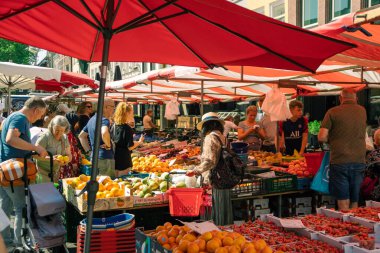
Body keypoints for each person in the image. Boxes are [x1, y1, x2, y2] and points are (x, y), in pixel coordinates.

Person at [0, 96, 47, 249]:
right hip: (15, 172)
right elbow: (11, 139)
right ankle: (19, 244)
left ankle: (6, 243)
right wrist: (36, 148)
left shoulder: (11, 117)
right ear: (35, 110)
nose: (40, 118)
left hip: (5, 170)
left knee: (4, 208)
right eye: (40, 115)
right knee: (20, 207)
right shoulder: (20, 118)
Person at [318, 89, 366, 211]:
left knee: (343, 200)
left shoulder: (332, 112)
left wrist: (332, 140)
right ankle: (356, 225)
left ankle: (346, 225)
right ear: (356, 98)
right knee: (354, 200)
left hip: (339, 160)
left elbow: (322, 136)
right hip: (359, 160)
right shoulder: (362, 111)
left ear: (340, 98)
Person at [186, 112, 233, 226]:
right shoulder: (223, 137)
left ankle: (214, 230)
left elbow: (210, 161)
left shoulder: (210, 137)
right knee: (223, 208)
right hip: (224, 177)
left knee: (212, 211)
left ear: (206, 126)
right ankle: (224, 228)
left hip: (213, 179)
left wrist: (195, 171)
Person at [79, 98, 115, 178]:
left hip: (94, 158)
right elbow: (104, 132)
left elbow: (81, 136)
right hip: (105, 158)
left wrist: (88, 151)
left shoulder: (92, 119)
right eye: (112, 107)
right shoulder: (104, 120)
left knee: (97, 184)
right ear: (105, 107)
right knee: (107, 185)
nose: (113, 109)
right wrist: (108, 145)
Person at [35, 115, 72, 182]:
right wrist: (51, 159)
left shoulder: (65, 138)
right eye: (57, 130)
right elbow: (34, 155)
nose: (59, 133)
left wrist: (66, 160)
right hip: (42, 172)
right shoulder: (45, 137)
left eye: (62, 130)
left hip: (55, 173)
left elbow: (69, 154)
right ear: (52, 127)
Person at [112, 102, 144, 177]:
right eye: (132, 113)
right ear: (126, 113)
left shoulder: (113, 126)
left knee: (115, 182)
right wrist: (139, 142)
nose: (133, 115)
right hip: (124, 160)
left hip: (114, 159)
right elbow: (130, 147)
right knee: (122, 182)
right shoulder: (127, 128)